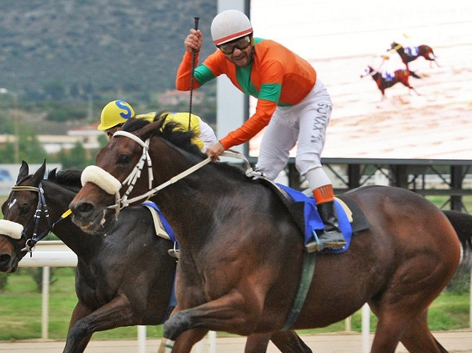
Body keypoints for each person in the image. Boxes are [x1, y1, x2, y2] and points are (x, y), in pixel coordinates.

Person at [177, 9, 345, 251]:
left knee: (306, 159)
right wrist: (191, 54)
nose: (237, 52)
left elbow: (263, 115)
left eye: (242, 43)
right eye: (228, 48)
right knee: (263, 170)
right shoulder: (220, 60)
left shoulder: (271, 59)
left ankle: (332, 228)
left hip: (312, 101)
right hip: (284, 108)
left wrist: (224, 143)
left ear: (251, 37)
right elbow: (186, 83)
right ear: (220, 49)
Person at [98, 99, 218, 151]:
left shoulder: (146, 127)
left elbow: (180, 140)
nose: (110, 138)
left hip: (201, 133)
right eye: (108, 133)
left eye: (111, 133)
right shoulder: (138, 128)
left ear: (121, 126)